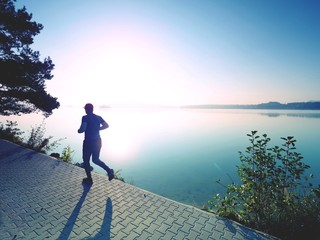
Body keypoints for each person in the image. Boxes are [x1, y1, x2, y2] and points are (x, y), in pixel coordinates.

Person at [78, 103, 114, 184]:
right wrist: (97, 129)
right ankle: (109, 170)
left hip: (88, 142)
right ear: (92, 109)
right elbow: (106, 125)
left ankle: (89, 179)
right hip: (98, 141)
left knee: (86, 160)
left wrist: (79, 131)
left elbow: (82, 129)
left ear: (86, 109)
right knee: (95, 159)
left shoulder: (85, 117)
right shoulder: (98, 117)